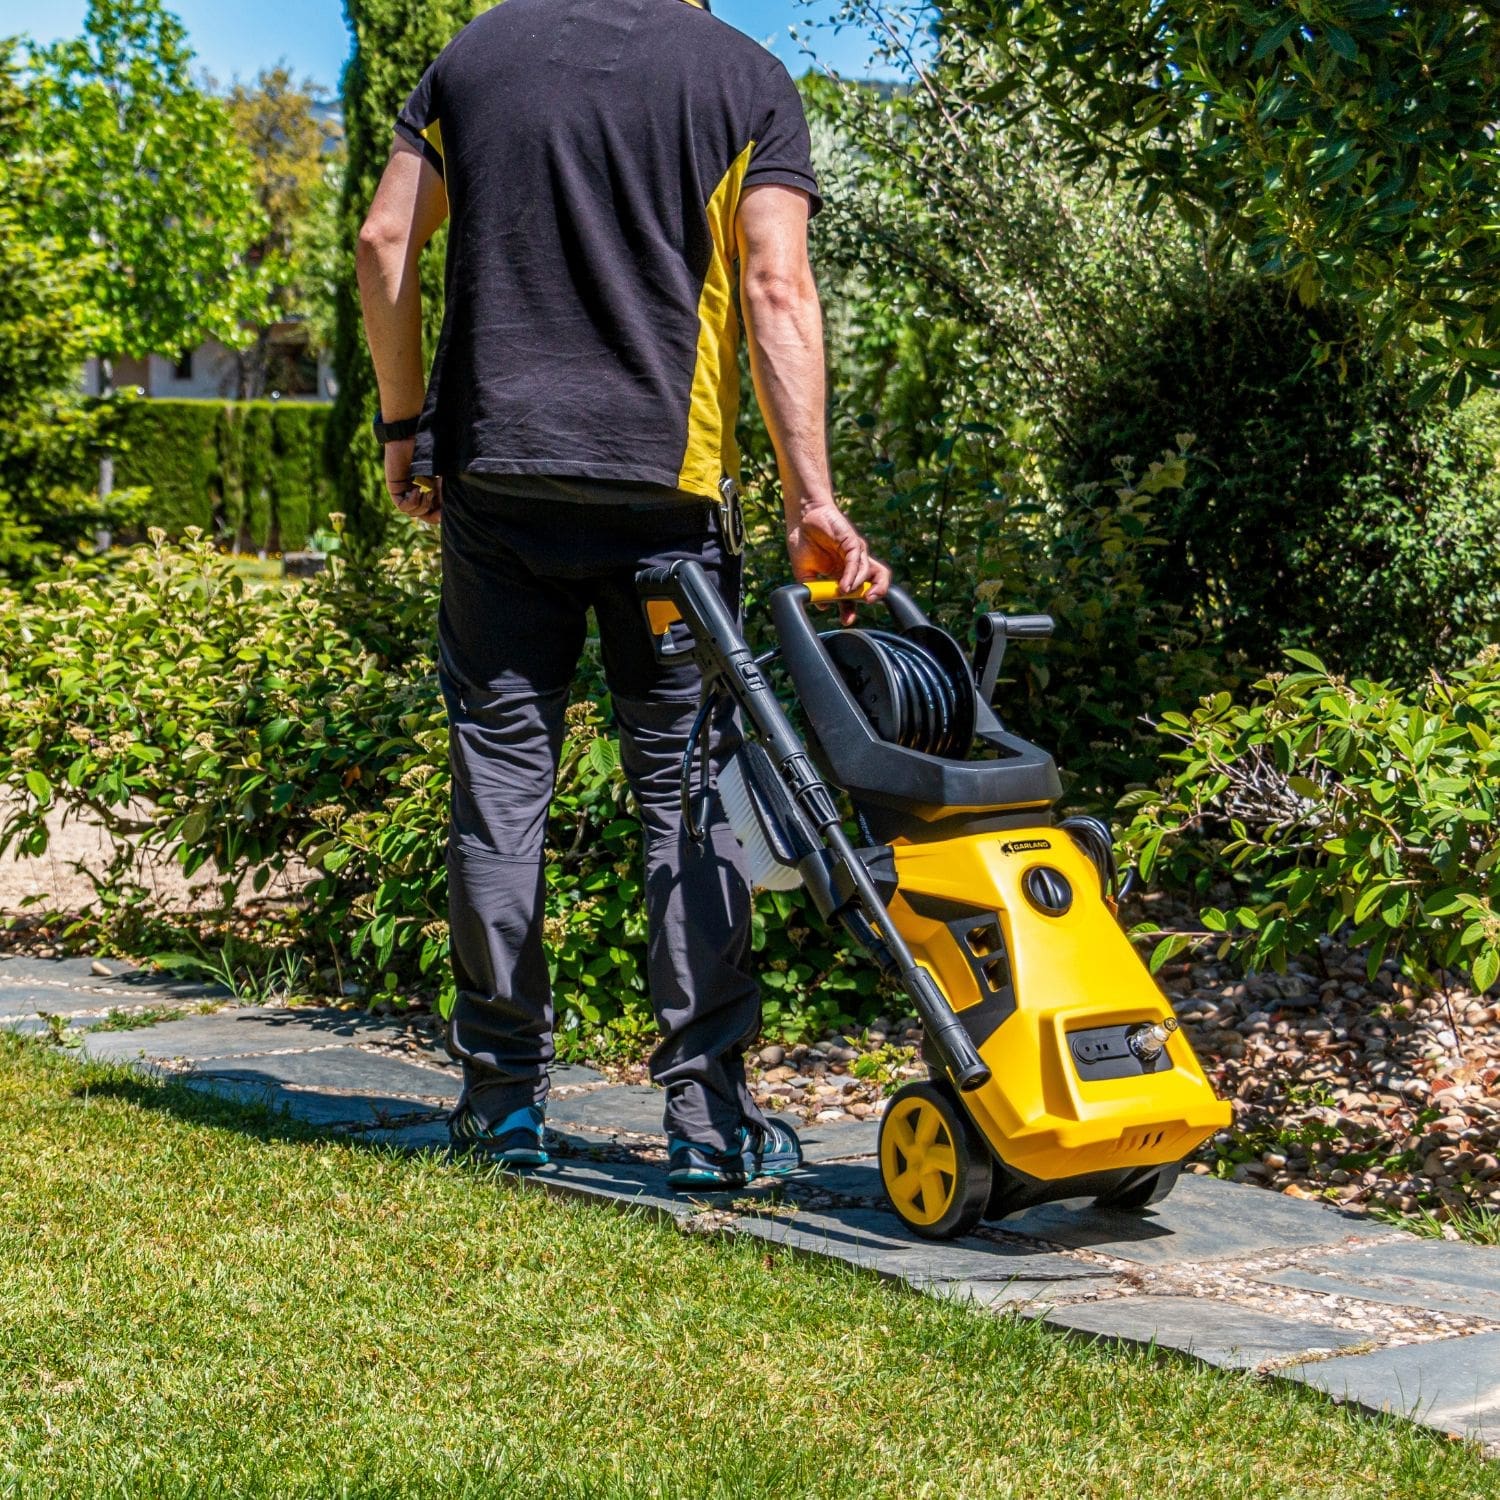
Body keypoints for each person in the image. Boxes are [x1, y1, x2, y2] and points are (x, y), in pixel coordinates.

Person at [356, 0, 890, 1191]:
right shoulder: (743, 77)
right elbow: (777, 288)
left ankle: (502, 1103)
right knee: (689, 793)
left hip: (499, 482)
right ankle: (706, 1121)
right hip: (668, 500)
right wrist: (813, 500)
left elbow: (386, 243)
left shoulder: (478, 54)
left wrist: (403, 427)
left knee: (502, 780)